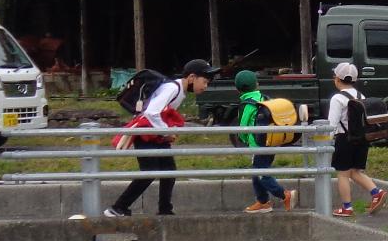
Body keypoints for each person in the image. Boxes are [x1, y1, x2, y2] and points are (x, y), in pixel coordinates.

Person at [105, 58, 214, 218]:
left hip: (155, 135)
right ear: (192, 77)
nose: (205, 86)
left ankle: (165, 210)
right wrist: (166, 133)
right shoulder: (172, 88)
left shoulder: (179, 91)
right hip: (146, 134)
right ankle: (117, 208)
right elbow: (151, 112)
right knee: (149, 173)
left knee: (169, 172)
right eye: (204, 81)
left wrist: (165, 132)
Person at [326, 62, 386, 218]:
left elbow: (331, 124)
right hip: (362, 139)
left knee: (343, 174)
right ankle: (376, 192)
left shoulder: (337, 98)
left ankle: (347, 208)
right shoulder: (361, 96)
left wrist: (326, 142)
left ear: (337, 79)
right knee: (355, 171)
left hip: (344, 139)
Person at [235, 69, 294, 214]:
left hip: (258, 144)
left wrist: (245, 141)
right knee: (257, 172)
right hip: (271, 141)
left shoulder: (247, 104)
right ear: (257, 84)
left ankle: (284, 194)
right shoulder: (264, 98)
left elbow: (242, 127)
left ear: (237, 89)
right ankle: (263, 202)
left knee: (261, 173)